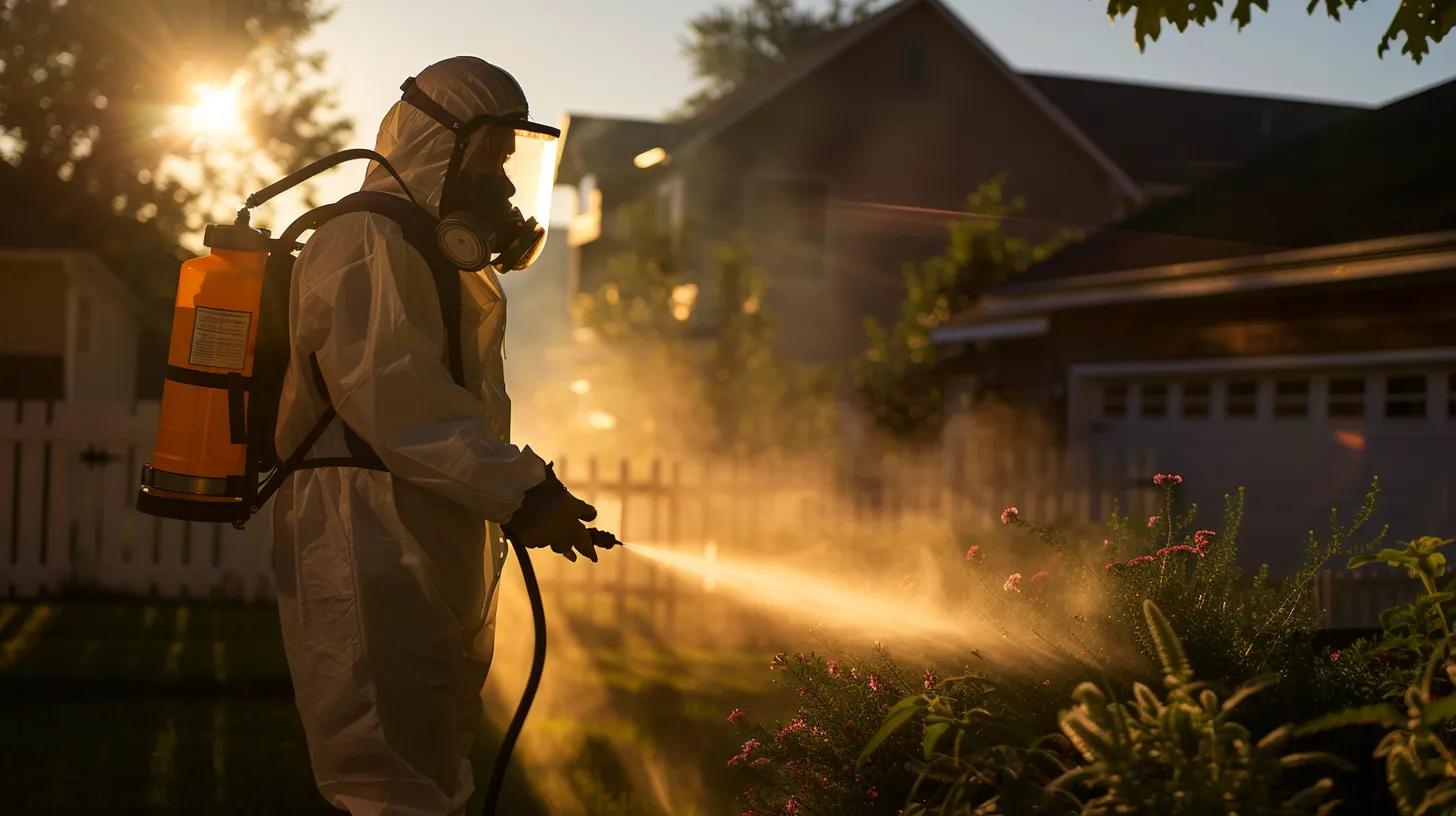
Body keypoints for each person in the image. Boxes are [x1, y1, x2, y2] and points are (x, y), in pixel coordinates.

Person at [270, 56, 616, 815]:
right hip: (365, 528)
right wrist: (522, 491)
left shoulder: (423, 244)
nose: (504, 183)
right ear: (441, 145)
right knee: (385, 772)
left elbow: (440, 408)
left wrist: (512, 492)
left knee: (428, 754)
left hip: (415, 517)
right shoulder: (365, 238)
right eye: (491, 156)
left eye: (508, 158)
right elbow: (399, 403)